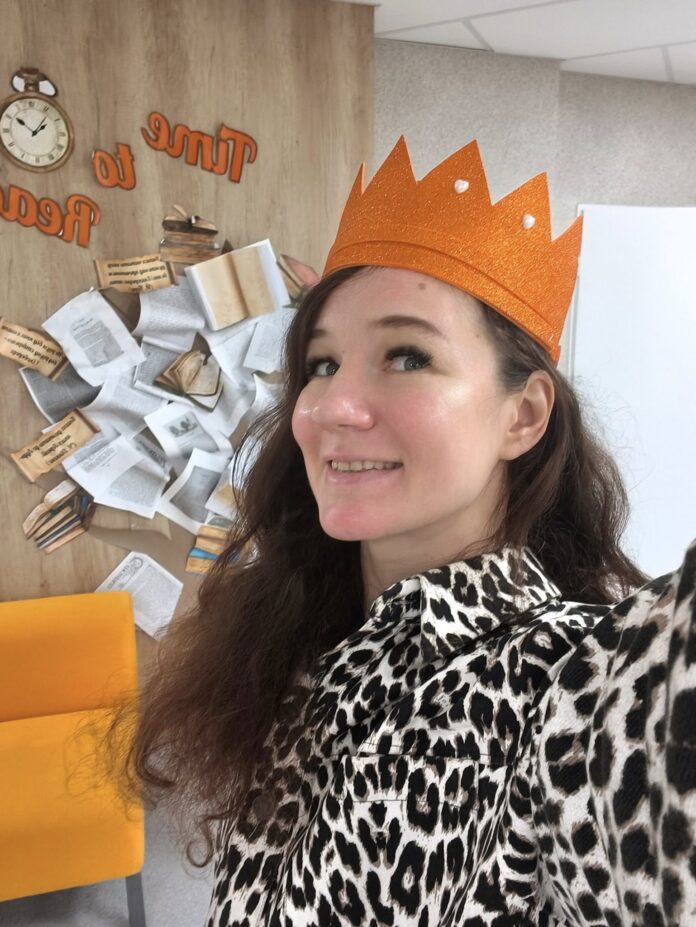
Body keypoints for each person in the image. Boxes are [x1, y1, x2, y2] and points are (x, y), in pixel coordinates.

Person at [123, 137, 696, 926]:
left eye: (406, 355)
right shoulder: (304, 648)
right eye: (321, 364)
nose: (330, 406)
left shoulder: (569, 683)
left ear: (524, 415)